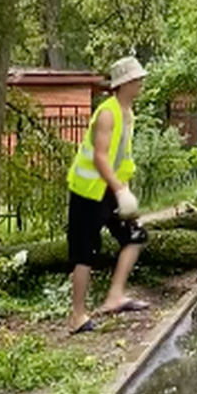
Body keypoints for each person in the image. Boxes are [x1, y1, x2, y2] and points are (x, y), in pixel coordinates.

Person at [65, 56, 150, 333]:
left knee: (135, 236)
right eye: (137, 79)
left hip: (112, 191)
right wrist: (120, 190)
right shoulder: (107, 113)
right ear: (124, 83)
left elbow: (119, 158)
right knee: (84, 253)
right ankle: (78, 316)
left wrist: (124, 190)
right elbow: (101, 158)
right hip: (89, 192)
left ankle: (115, 296)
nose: (141, 83)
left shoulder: (128, 114)